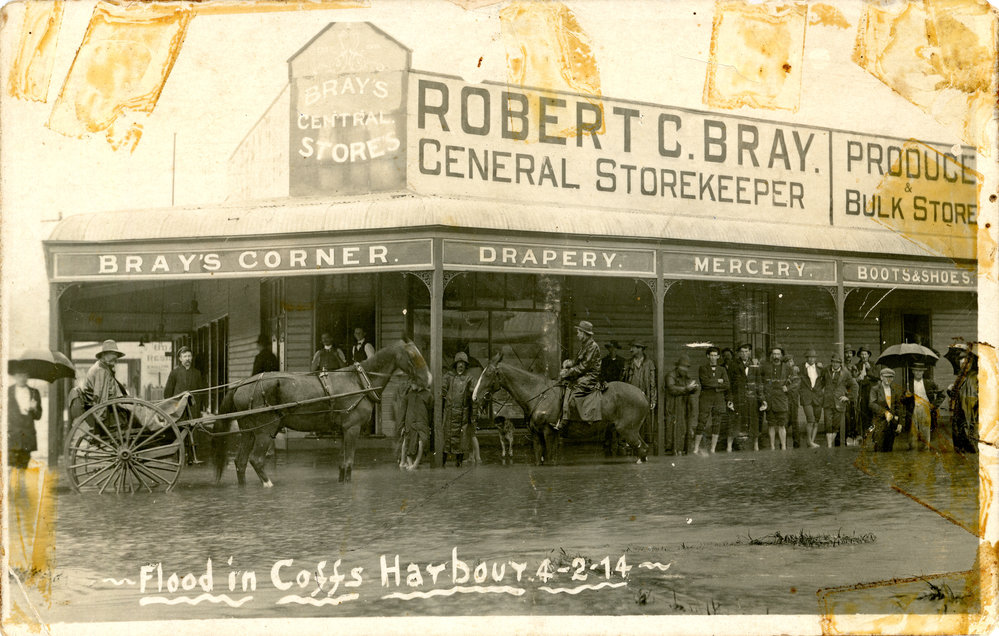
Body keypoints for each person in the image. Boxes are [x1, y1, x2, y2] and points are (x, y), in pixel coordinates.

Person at [165, 345, 208, 464]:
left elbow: (201, 391)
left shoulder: (197, 373)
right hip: (179, 407)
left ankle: (192, 457)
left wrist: (202, 406)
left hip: (193, 407)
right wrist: (171, 406)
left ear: (192, 358)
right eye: (185, 356)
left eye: (189, 356)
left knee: (193, 430)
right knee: (179, 430)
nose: (187, 358)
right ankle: (179, 457)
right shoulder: (174, 373)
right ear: (180, 358)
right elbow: (168, 392)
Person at [555, 320, 601, 431]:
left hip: (590, 377)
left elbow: (583, 367)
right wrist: (569, 363)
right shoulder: (585, 345)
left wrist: (567, 373)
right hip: (583, 373)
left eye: (579, 332)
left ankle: (570, 420)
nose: (577, 334)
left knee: (574, 391)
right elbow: (578, 361)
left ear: (585, 333)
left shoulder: (593, 347)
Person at [692, 346, 731, 456]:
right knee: (701, 422)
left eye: (715, 355)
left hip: (718, 399)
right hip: (706, 398)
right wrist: (719, 382)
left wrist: (715, 384)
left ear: (718, 356)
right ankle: (695, 448)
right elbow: (705, 383)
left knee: (717, 423)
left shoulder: (722, 369)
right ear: (708, 356)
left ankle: (713, 449)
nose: (713, 358)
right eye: (711, 355)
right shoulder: (703, 368)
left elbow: (727, 384)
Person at [727, 343, 763, 452]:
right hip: (738, 397)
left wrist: (762, 399)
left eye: (746, 351)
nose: (744, 354)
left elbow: (759, 383)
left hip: (752, 398)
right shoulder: (733, 364)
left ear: (750, 352)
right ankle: (729, 446)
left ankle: (756, 445)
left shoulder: (754, 364)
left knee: (754, 422)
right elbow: (729, 383)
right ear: (739, 353)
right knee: (735, 422)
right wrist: (730, 399)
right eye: (742, 351)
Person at [441, 352, 474, 467]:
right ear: (455, 364)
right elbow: (442, 389)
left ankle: (458, 464)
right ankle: (443, 463)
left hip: (463, 414)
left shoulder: (469, 378)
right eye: (459, 363)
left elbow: (472, 393)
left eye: (463, 363)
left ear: (465, 365)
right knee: (446, 439)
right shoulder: (448, 376)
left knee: (461, 440)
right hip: (449, 413)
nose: (461, 365)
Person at [760, 345, 795, 451]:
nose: (776, 356)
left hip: (782, 399)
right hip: (769, 398)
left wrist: (787, 388)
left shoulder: (788, 368)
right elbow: (760, 382)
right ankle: (772, 447)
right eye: (774, 354)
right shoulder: (765, 367)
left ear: (781, 355)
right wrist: (763, 397)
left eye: (778, 354)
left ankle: (783, 446)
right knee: (771, 424)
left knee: (782, 425)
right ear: (771, 355)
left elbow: (796, 381)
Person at [818, 353, 857, 448]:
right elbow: (820, 383)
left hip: (839, 402)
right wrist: (819, 394)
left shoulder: (846, 373)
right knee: (828, 424)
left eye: (837, 362)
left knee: (836, 426)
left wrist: (848, 397)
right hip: (827, 401)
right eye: (833, 362)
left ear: (840, 363)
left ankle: (830, 445)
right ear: (831, 362)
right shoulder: (826, 370)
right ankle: (829, 445)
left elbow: (854, 385)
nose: (835, 364)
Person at [621, 341, 656, 443]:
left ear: (640, 349)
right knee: (629, 419)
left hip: (644, 396)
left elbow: (652, 383)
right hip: (630, 397)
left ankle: (643, 443)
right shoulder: (628, 363)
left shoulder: (649, 363)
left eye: (633, 348)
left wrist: (653, 398)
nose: (630, 350)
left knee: (644, 420)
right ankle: (630, 442)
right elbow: (623, 380)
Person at [8, 368, 42, 471]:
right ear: (14, 376)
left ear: (28, 376)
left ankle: (20, 486)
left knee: (23, 466)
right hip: (11, 433)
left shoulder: (34, 392)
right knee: (10, 465)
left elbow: (38, 416)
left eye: (24, 375)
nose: (22, 378)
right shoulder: (6, 392)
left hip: (27, 434)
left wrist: (35, 408)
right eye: (19, 375)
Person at [902, 362, 942, 451]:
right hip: (914, 409)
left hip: (926, 409)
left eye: (920, 371)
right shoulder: (909, 384)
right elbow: (902, 401)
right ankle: (913, 449)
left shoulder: (929, 383)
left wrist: (934, 405)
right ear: (913, 371)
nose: (918, 373)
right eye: (916, 371)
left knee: (925, 430)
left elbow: (941, 394)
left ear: (923, 372)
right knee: (913, 431)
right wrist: (906, 396)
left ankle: (925, 448)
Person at [665, 355, 699, 454]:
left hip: (685, 405)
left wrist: (694, 388)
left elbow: (690, 388)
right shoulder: (671, 375)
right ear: (678, 366)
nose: (684, 369)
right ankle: (674, 449)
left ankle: (683, 449)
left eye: (686, 367)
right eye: (683, 366)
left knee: (684, 428)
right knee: (675, 428)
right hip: (674, 405)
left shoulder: (686, 376)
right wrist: (686, 389)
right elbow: (671, 388)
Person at [397, 379, 432, 470]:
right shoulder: (408, 396)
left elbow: (430, 411)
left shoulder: (428, 395)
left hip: (422, 423)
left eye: (413, 382)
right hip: (410, 423)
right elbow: (402, 412)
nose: (411, 384)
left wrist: (430, 425)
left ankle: (415, 464)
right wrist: (401, 426)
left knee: (421, 443)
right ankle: (408, 463)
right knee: (408, 443)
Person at [947, 351, 978, 454]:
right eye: (961, 364)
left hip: (968, 411)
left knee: (969, 437)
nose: (963, 366)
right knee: (958, 436)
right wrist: (950, 390)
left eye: (965, 364)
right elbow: (955, 395)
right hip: (958, 411)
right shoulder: (960, 378)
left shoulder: (973, 377)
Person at [869, 367, 905, 452]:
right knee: (878, 448)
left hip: (892, 424)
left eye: (891, 377)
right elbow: (872, 404)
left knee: (889, 449)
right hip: (879, 422)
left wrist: (900, 423)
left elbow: (899, 407)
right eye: (886, 377)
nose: (888, 379)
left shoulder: (895, 390)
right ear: (881, 377)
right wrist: (884, 412)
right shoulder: (875, 389)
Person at [83, 339, 127, 409]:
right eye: (113, 353)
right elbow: (100, 398)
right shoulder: (100, 370)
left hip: (111, 402)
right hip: (106, 407)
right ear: (104, 355)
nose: (116, 357)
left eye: (116, 354)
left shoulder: (105, 368)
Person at [853, 345, 879, 443]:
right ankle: (863, 434)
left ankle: (873, 435)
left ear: (868, 355)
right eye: (862, 354)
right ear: (860, 356)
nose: (864, 356)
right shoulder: (856, 366)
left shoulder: (873, 365)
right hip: (862, 392)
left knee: (872, 413)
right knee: (863, 413)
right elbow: (855, 378)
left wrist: (870, 370)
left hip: (871, 392)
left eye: (865, 354)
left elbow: (877, 377)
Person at [799, 349, 823, 448]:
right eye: (810, 357)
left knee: (816, 420)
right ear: (806, 358)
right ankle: (809, 441)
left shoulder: (820, 369)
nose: (812, 359)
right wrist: (802, 392)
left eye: (814, 357)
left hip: (817, 397)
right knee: (810, 420)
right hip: (806, 397)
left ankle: (812, 441)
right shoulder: (801, 368)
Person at [783, 352, 803, 448]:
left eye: (791, 361)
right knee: (785, 422)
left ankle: (797, 443)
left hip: (794, 400)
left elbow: (797, 383)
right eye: (789, 361)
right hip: (785, 400)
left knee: (795, 422)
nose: (791, 363)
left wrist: (788, 387)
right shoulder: (783, 372)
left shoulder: (795, 371)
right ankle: (783, 444)